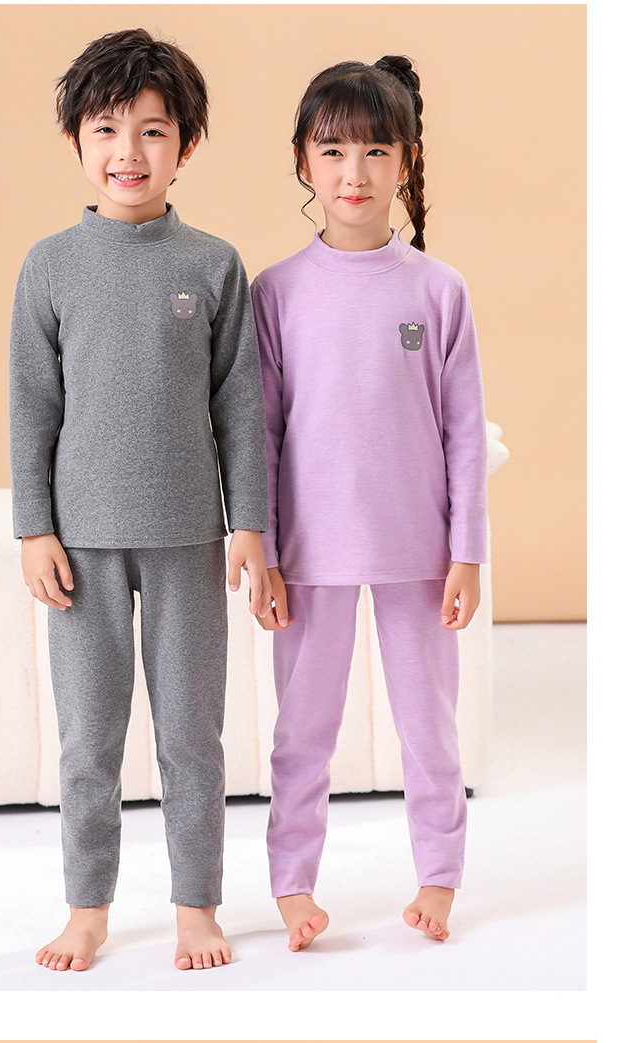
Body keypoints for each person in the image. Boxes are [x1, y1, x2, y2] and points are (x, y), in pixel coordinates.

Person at [9, 28, 270, 973]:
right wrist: (34, 527)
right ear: (76, 140)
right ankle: (88, 907)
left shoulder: (214, 264)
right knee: (89, 739)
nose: (129, 152)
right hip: (79, 547)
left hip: (190, 538)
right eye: (107, 129)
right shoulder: (49, 266)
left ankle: (197, 905)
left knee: (193, 734)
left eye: (153, 131)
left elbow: (241, 407)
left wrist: (250, 523)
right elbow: (32, 405)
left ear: (185, 145)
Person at [251, 55, 488, 952]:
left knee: (430, 726)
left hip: (419, 552)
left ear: (407, 161)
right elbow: (260, 432)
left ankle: (438, 875)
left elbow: (463, 432)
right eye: (334, 150)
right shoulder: (275, 292)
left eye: (376, 151)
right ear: (303, 163)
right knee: (302, 732)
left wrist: (467, 551)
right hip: (309, 556)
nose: (355, 172)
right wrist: (264, 548)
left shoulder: (439, 289)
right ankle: (292, 885)